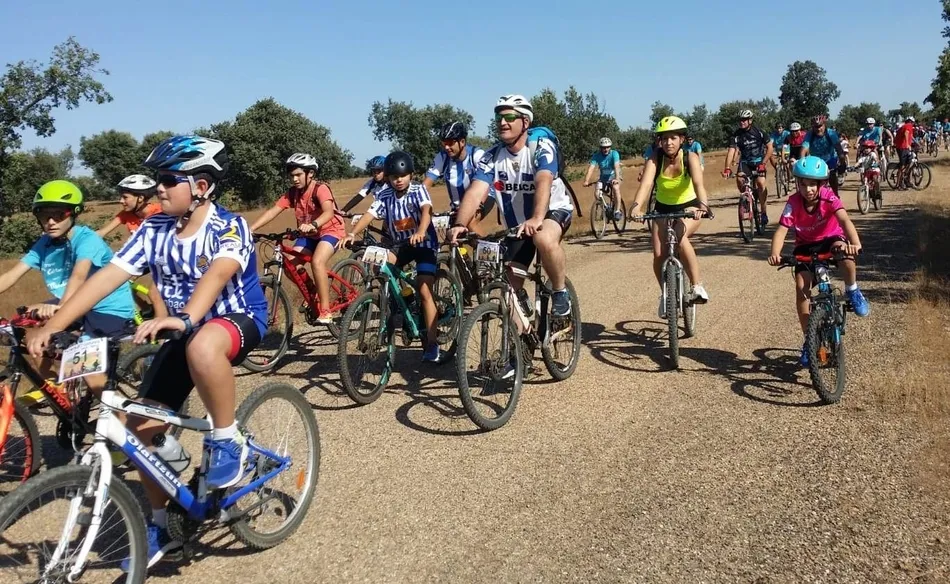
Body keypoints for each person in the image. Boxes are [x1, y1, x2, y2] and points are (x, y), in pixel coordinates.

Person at [27, 135, 268, 569]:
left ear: (201, 187)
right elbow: (107, 278)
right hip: (182, 330)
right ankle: (163, 527)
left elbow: (217, 275)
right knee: (139, 428)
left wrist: (187, 317)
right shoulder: (154, 229)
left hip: (235, 318)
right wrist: (55, 324)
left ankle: (228, 439)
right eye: (158, 179)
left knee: (203, 343)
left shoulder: (229, 226)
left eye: (169, 180)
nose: (159, 187)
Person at [0, 180, 137, 390]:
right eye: (44, 216)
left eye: (59, 214)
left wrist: (61, 307)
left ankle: (110, 408)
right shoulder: (44, 243)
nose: (51, 222)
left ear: (73, 214)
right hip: (73, 304)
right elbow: (11, 275)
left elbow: (78, 276)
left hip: (108, 308)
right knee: (29, 329)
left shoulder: (87, 239)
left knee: (85, 365)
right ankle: (56, 389)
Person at [448, 94, 575, 318]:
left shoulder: (541, 147)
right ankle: (520, 337)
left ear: (525, 121)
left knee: (543, 239)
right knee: (507, 293)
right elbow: (475, 192)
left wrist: (537, 217)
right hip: (517, 226)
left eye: (509, 117)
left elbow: (543, 179)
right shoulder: (492, 156)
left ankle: (559, 291)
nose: (502, 122)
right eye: (499, 118)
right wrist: (460, 224)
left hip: (552, 211)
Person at [339, 151, 444, 362]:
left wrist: (421, 231)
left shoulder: (418, 190)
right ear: (388, 177)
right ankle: (405, 301)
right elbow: (369, 215)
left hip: (424, 243)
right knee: (380, 268)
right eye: (394, 176)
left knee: (424, 288)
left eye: (403, 176)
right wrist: (352, 233)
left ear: (411, 174)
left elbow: (426, 211)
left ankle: (432, 343)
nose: (399, 180)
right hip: (401, 245)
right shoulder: (385, 194)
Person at [767, 156, 870, 366]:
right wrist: (775, 253)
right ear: (797, 183)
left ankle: (852, 290)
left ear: (821, 184)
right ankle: (810, 340)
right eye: (803, 184)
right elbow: (782, 230)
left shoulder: (829, 197)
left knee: (845, 255)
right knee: (801, 287)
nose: (808, 189)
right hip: (805, 245)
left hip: (831, 239)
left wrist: (855, 243)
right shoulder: (793, 202)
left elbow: (844, 220)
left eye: (813, 184)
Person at [629, 116, 712, 317]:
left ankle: (697, 286)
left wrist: (703, 206)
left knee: (679, 238)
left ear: (682, 139)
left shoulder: (690, 157)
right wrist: (636, 207)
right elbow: (646, 185)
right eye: (664, 138)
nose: (668, 142)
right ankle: (666, 295)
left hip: (689, 207)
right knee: (659, 254)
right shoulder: (655, 159)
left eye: (673, 138)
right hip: (662, 209)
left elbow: (699, 185)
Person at [250, 153, 345, 323]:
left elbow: (329, 212)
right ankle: (312, 290)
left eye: (298, 174)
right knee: (290, 266)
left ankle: (325, 310)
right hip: (309, 235)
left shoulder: (320, 189)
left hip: (331, 231)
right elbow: (273, 210)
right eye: (292, 175)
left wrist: (313, 224)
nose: (294, 179)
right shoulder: (293, 193)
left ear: (310, 173)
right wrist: (250, 228)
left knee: (317, 262)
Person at [422, 121, 495, 231]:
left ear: (462, 142)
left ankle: (485, 243)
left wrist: (477, 206)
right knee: (451, 235)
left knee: (470, 223)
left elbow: (487, 184)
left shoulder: (476, 155)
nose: (446, 147)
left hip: (482, 197)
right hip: (457, 205)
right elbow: (426, 184)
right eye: (444, 143)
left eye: (450, 143)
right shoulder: (442, 157)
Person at [723, 109, 773, 226]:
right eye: (740, 120)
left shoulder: (759, 131)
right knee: (740, 179)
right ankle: (746, 200)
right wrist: (727, 167)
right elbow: (731, 151)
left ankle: (764, 212)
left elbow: (770, 148)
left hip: (759, 161)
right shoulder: (736, 135)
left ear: (750, 120)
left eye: (744, 120)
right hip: (745, 162)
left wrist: (763, 163)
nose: (742, 122)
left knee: (760, 183)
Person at [96, 175, 163, 239]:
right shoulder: (126, 214)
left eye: (125, 197)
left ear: (140, 198)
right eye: (121, 197)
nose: (121, 201)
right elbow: (102, 232)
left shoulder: (162, 212)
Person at [801, 115, 846, 196]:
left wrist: (842, 162)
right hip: (816, 160)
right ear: (812, 127)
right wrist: (802, 162)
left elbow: (839, 149)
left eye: (820, 126)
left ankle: (835, 195)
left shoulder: (831, 133)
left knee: (832, 175)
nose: (818, 129)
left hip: (830, 158)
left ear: (824, 125)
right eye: (816, 127)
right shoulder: (809, 134)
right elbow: (804, 149)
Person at [582, 137, 623, 221]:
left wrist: (617, 179)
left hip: (615, 176)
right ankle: (605, 208)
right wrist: (586, 181)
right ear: (600, 148)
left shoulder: (614, 154)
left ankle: (617, 211)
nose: (606, 149)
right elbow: (591, 168)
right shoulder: (596, 156)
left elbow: (616, 166)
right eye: (604, 147)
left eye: (608, 147)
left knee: (615, 188)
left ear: (610, 147)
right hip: (603, 178)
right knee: (597, 192)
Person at [894, 116, 916, 190]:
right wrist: (907, 145)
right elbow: (906, 134)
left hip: (902, 147)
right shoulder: (908, 126)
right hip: (902, 147)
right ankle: (898, 184)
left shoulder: (905, 126)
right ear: (911, 122)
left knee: (908, 163)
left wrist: (917, 143)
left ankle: (906, 181)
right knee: (902, 166)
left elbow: (911, 137)